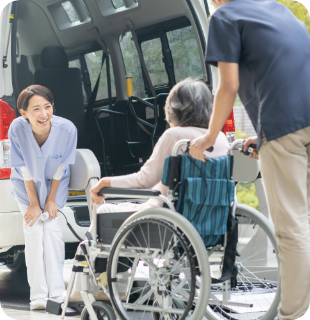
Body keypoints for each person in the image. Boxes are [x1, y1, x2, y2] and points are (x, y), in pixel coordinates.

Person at [190, 0, 310, 319]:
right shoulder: (278, 10)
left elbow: (228, 85)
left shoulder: (224, 17)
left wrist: (207, 136)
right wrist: (262, 134)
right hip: (300, 119)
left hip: (284, 127)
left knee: (292, 224)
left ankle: (293, 314)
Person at [64, 78, 230, 301]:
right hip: (209, 221)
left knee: (104, 215)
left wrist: (106, 182)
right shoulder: (219, 138)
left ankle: (96, 288)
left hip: (165, 220)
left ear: (173, 109)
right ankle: (116, 285)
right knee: (129, 212)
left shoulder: (175, 136)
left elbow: (143, 180)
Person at [9, 85, 77, 310]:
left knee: (52, 231)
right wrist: (34, 203)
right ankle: (38, 295)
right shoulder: (17, 128)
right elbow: (22, 168)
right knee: (34, 230)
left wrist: (50, 201)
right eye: (36, 109)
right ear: (24, 113)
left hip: (54, 185)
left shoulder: (66, 129)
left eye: (48, 107)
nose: (44, 114)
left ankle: (57, 294)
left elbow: (60, 167)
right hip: (25, 185)